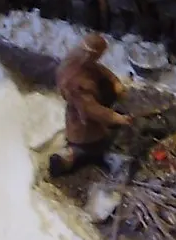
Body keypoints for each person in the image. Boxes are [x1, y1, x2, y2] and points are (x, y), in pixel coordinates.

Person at [50, 34, 132, 177]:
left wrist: (115, 81)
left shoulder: (83, 62)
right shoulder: (75, 81)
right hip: (84, 125)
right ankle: (69, 157)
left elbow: (99, 69)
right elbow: (92, 110)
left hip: (89, 108)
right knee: (94, 147)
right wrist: (116, 118)